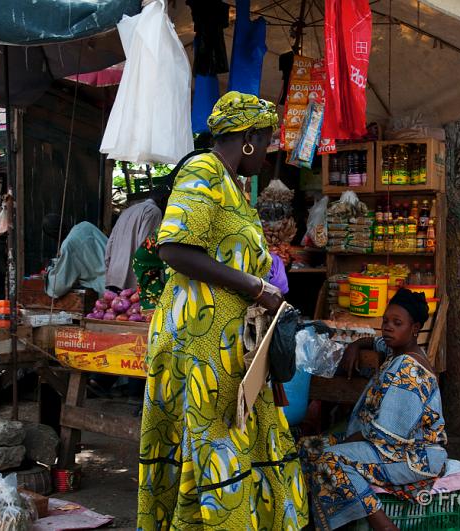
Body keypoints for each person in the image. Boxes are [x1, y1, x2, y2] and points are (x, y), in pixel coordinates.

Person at [137, 91, 308, 529]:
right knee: (213, 446)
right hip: (197, 342)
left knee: (228, 440)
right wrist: (257, 287)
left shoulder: (232, 183)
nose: (269, 155)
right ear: (248, 137)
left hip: (226, 342)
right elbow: (174, 247)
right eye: (267, 142)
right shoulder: (203, 169)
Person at [299, 289, 446, 531]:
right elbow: (374, 341)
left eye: (397, 323)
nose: (388, 328)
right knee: (307, 448)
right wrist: (356, 345)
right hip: (385, 446)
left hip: (413, 455)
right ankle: (318, 519)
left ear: (415, 328)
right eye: (385, 321)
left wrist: (344, 444)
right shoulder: (395, 349)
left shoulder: (409, 370)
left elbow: (385, 436)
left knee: (332, 458)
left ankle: (382, 525)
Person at [104, 188, 169, 293]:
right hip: (131, 279)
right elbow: (145, 246)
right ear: (163, 199)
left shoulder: (127, 211)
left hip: (114, 275)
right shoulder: (154, 211)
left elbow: (110, 244)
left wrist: (108, 269)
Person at [42, 214, 107, 299]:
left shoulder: (68, 245)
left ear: (53, 235)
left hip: (104, 289)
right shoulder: (85, 225)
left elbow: (58, 286)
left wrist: (50, 271)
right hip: (120, 278)